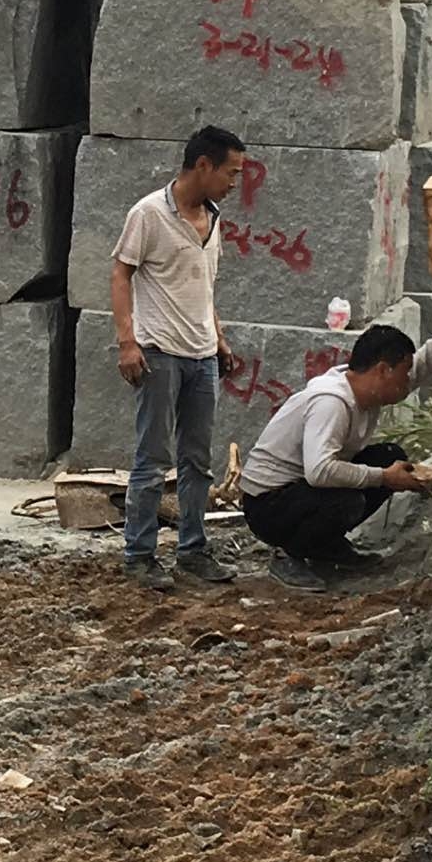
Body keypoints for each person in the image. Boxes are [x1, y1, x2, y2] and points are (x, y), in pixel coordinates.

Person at [111, 125, 247, 591]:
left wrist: (219, 338)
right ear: (203, 165)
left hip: (202, 356)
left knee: (197, 462)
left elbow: (203, 287)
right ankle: (139, 555)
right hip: (159, 354)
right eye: (231, 172)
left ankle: (192, 550)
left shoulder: (213, 220)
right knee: (152, 460)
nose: (234, 183)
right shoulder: (148, 214)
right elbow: (120, 274)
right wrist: (127, 342)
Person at [242, 315, 432, 591]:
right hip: (269, 503)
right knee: (349, 500)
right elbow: (319, 471)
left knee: (389, 457)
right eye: (403, 372)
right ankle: (289, 553)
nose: (408, 381)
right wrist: (384, 477)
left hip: (300, 490)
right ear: (383, 370)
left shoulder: (365, 388)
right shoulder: (331, 402)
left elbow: (416, 372)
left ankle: (325, 547)